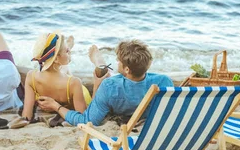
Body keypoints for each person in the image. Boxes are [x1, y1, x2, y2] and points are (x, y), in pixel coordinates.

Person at [37, 39, 173, 126]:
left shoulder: (109, 86)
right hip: (138, 103)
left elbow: (86, 121)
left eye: (118, 60)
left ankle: (101, 66)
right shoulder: (163, 81)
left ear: (126, 68)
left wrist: (55, 106)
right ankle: (101, 66)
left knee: (107, 81)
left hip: (115, 102)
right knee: (113, 79)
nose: (117, 62)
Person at [11, 32, 91, 128]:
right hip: (77, 92)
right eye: (67, 51)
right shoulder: (74, 82)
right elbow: (83, 118)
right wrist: (56, 106)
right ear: (56, 59)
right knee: (65, 71)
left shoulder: (31, 76)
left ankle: (66, 47)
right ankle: (66, 47)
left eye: (68, 50)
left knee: (62, 69)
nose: (69, 52)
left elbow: (27, 115)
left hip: (57, 75)